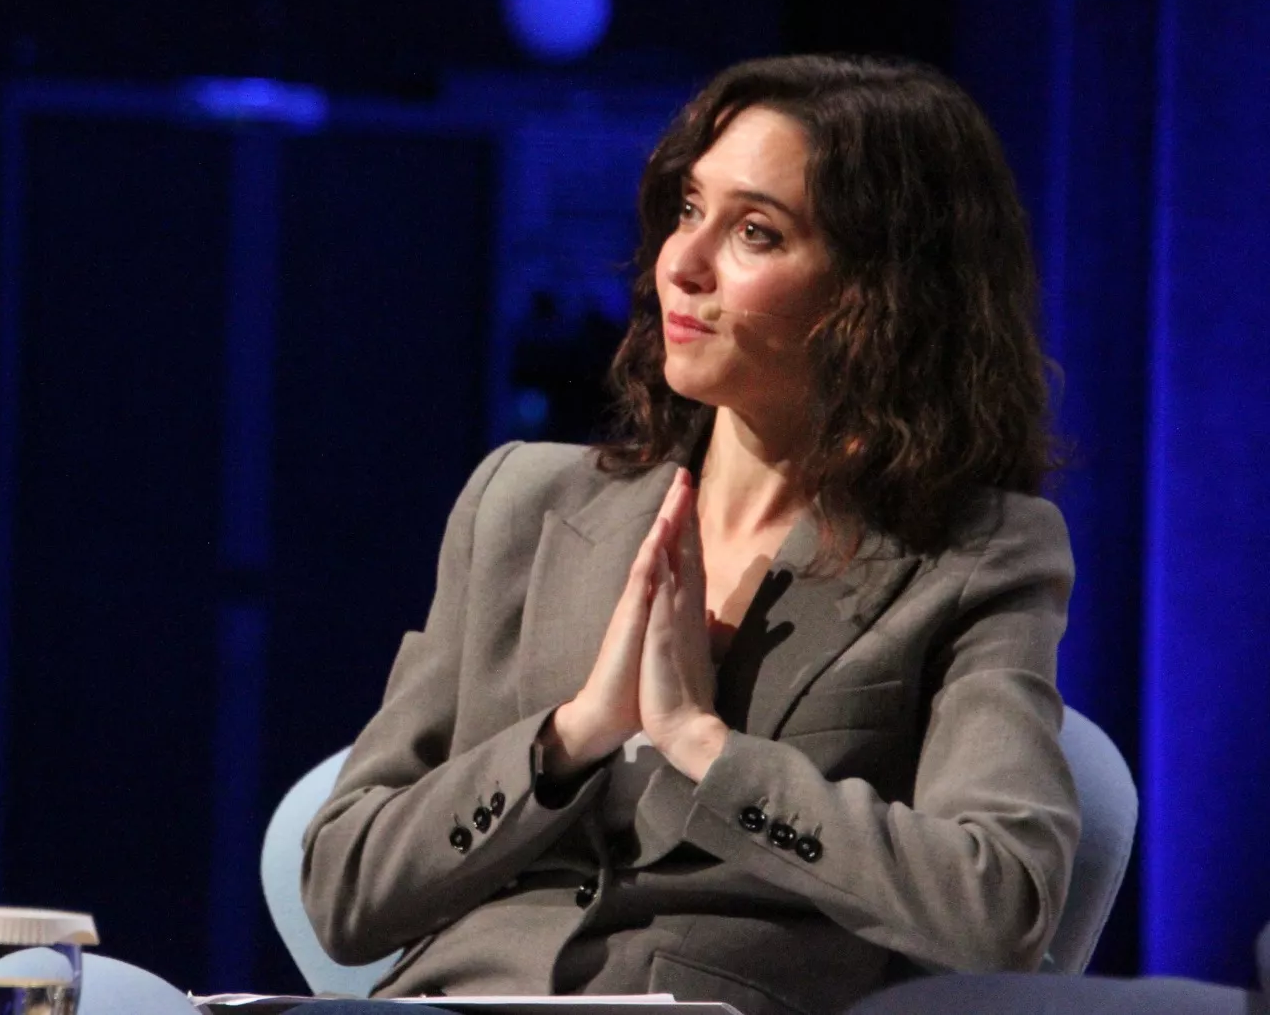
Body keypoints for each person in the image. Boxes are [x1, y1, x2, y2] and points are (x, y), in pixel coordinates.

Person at [300, 54, 1082, 1015]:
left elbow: (998, 905)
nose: (682, 263)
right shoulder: (522, 501)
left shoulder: (976, 555)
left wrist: (708, 749)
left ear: (883, 292)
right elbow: (342, 891)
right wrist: (572, 737)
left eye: (755, 232)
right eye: (688, 209)